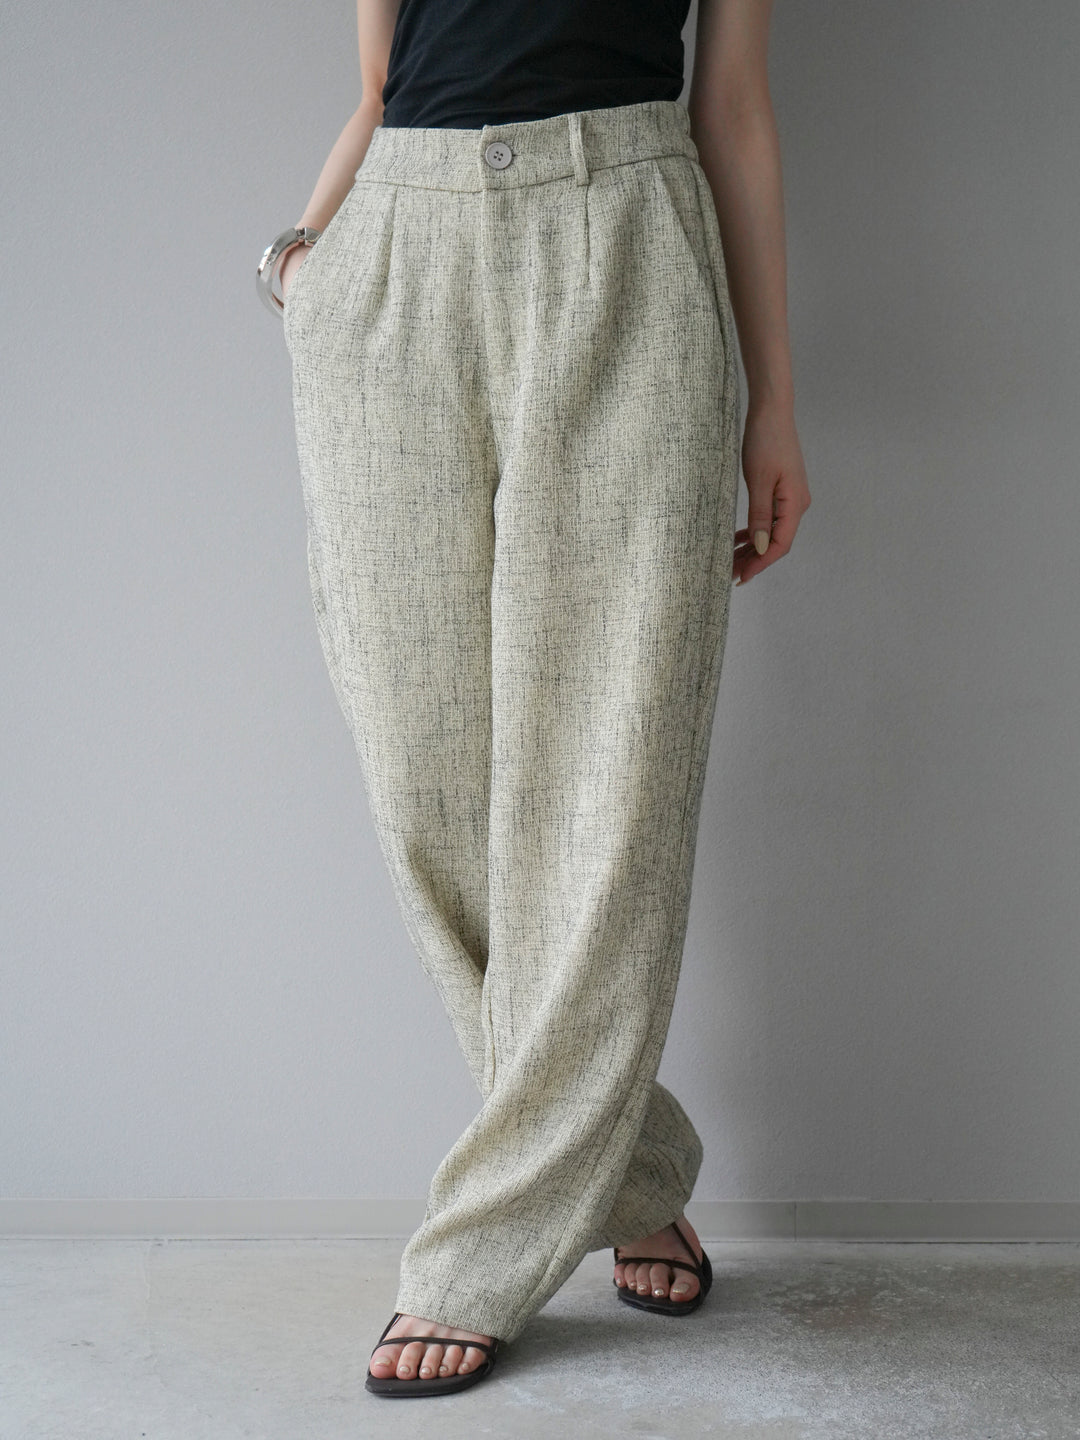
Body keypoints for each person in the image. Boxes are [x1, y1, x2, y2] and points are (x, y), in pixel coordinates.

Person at [268, 0, 810, 1399]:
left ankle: (478, 1256)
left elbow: (732, 106)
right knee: (425, 782)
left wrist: (773, 402)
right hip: (394, 265)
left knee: (604, 786)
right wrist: (300, 263)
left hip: (625, 240)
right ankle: (629, 1175)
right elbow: (381, 85)